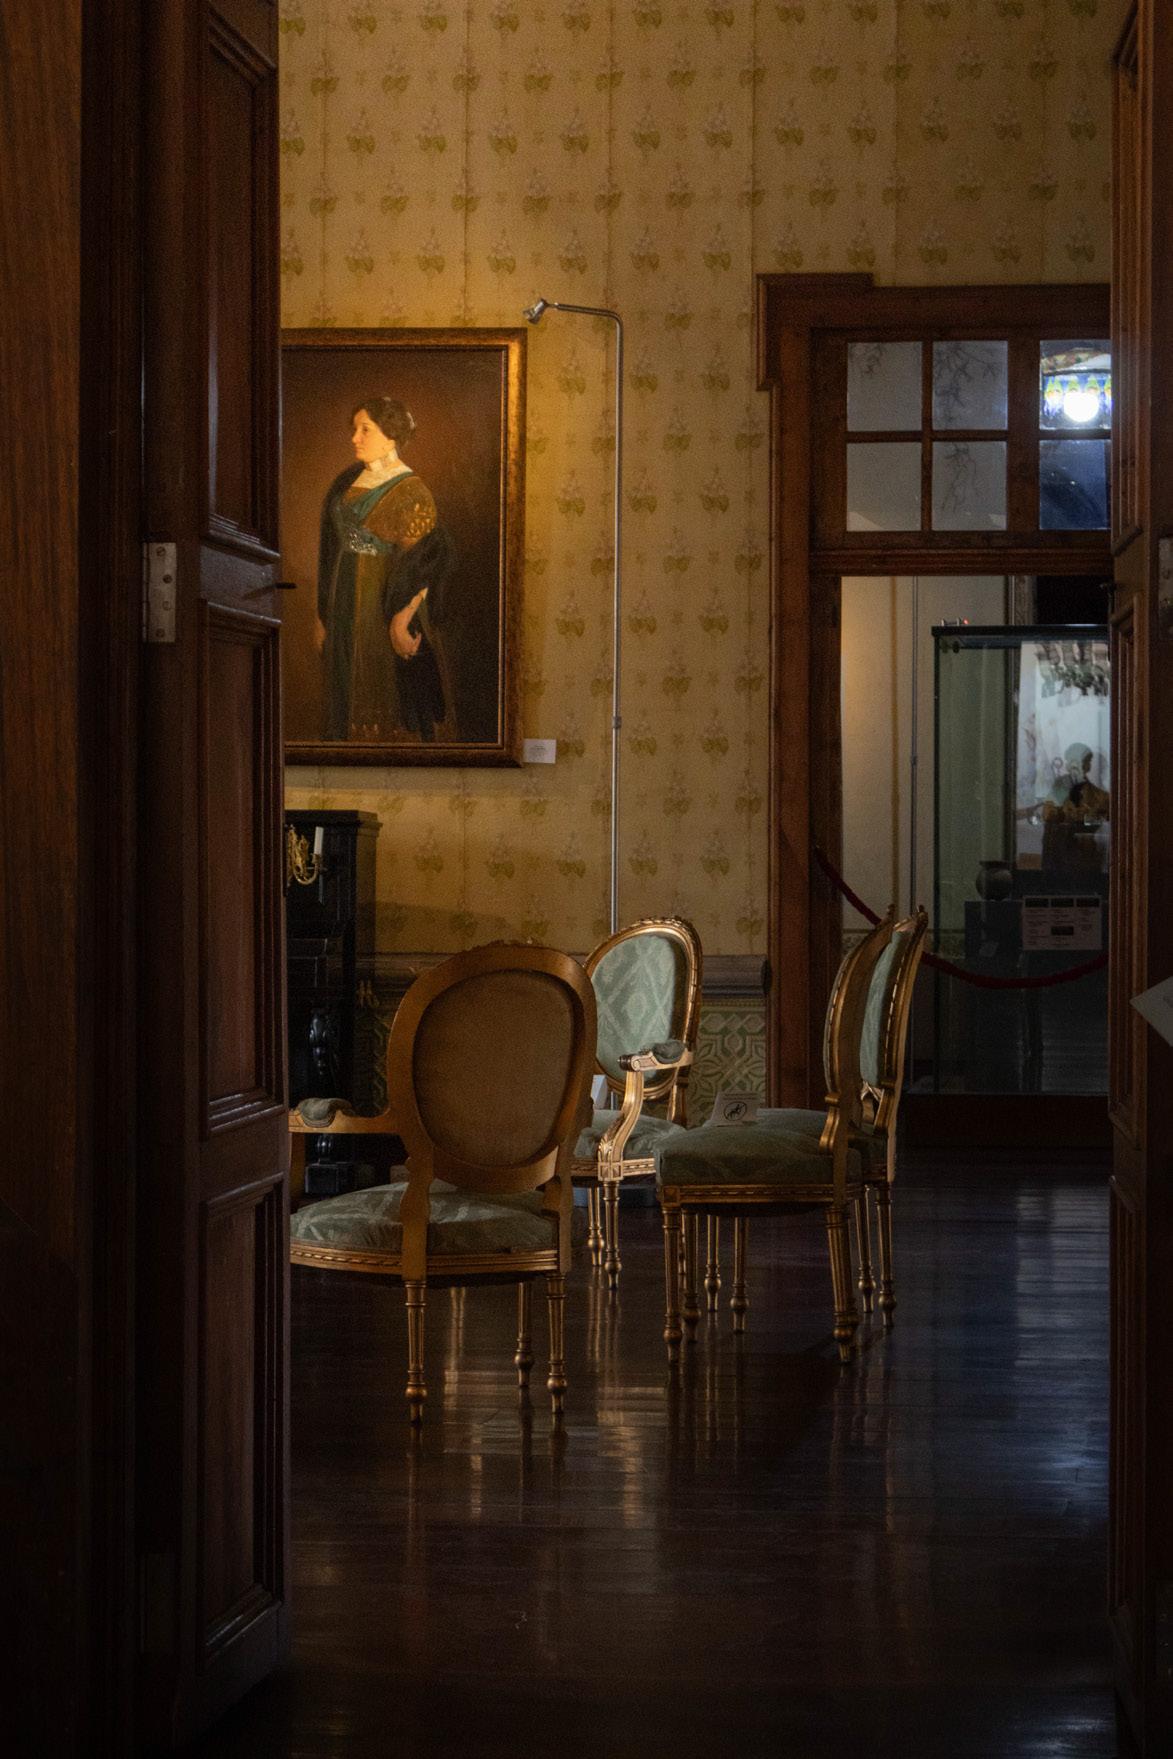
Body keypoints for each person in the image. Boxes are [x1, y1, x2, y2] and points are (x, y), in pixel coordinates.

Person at [316, 397, 456, 742]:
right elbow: (330, 545)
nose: (355, 438)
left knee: (382, 689)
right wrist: (322, 613)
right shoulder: (347, 481)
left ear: (390, 435)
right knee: (342, 681)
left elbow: (425, 562)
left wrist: (402, 618)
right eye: (354, 429)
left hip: (383, 599)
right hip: (343, 595)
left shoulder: (411, 490)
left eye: (365, 429)